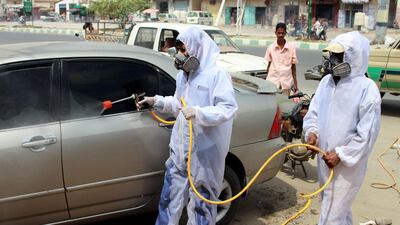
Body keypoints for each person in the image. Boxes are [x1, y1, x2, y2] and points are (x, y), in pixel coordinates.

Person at [138, 27, 238, 225]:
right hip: (181, 148)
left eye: (185, 50)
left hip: (205, 152)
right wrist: (156, 101)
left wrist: (199, 113)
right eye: (180, 50)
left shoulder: (216, 75)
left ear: (198, 48)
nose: (182, 55)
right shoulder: (183, 76)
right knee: (170, 197)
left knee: (201, 204)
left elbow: (228, 108)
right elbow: (179, 104)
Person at [303, 31, 381, 225]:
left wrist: (341, 154)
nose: (332, 61)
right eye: (332, 56)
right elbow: (314, 114)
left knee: (330, 217)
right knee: (338, 212)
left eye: (338, 56)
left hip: (347, 168)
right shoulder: (326, 83)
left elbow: (366, 135)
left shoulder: (367, 89)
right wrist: (312, 133)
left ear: (353, 58)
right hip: (325, 162)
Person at [265, 22, 298, 95]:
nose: (281, 35)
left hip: (286, 83)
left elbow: (293, 67)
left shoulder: (291, 48)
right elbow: (269, 65)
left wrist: (295, 84)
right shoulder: (270, 48)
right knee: (273, 104)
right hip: (272, 82)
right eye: (279, 33)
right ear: (275, 33)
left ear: (285, 33)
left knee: (284, 104)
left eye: (282, 33)